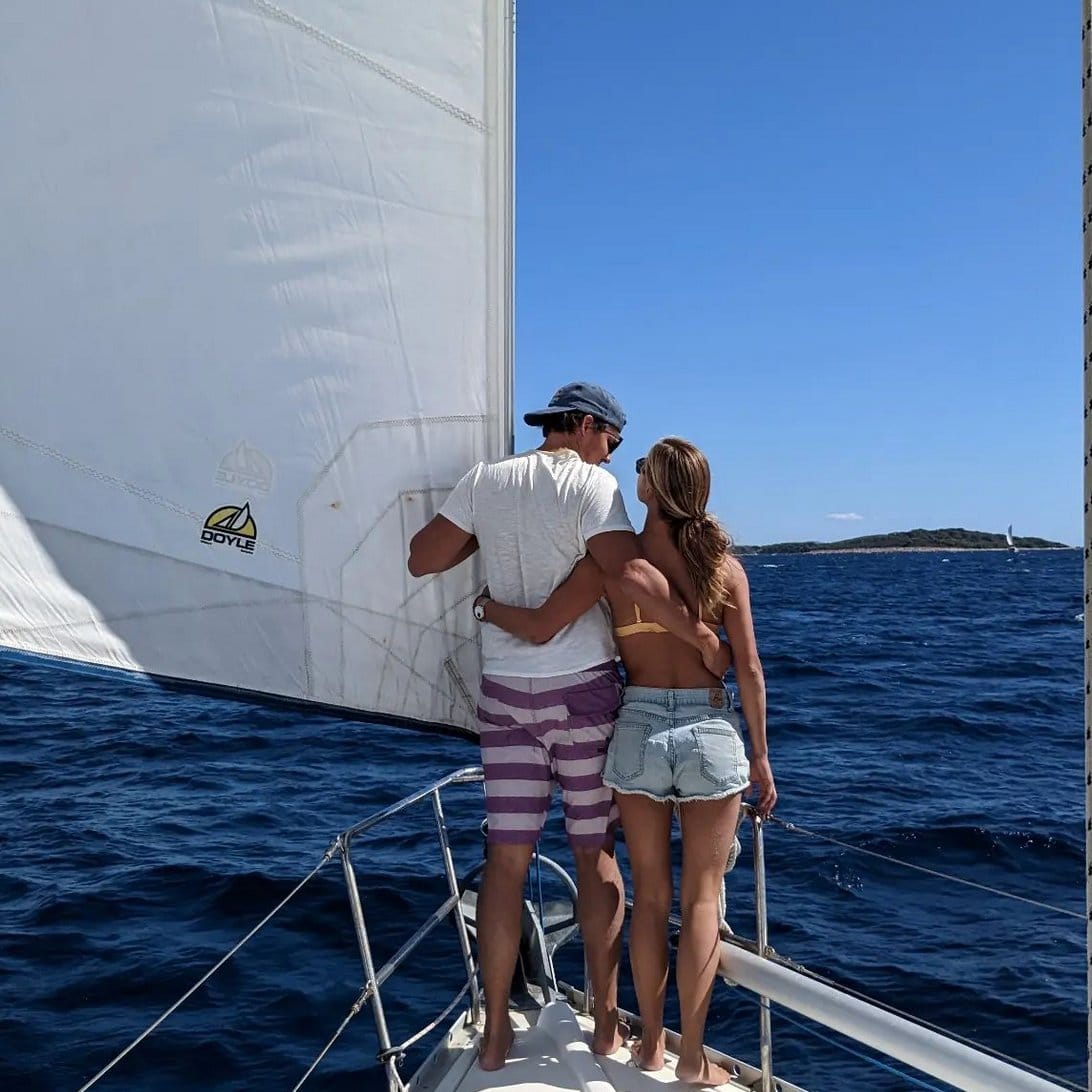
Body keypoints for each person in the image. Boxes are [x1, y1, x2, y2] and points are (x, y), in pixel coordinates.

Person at [407, 386, 731, 1071]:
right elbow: (631, 570)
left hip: (504, 698)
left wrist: (487, 557)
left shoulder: (485, 480)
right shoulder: (593, 485)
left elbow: (423, 558)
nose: (612, 453)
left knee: (506, 861)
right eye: (612, 441)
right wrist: (700, 634)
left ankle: (496, 1032)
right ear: (587, 427)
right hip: (582, 694)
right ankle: (609, 1024)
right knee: (595, 854)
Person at [474, 436, 774, 1086]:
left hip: (636, 728)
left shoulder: (614, 565)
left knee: (649, 895)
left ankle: (643, 1046)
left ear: (649, 489)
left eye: (641, 468)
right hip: (709, 730)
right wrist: (762, 759)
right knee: (700, 900)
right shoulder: (726, 569)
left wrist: (484, 606)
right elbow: (747, 667)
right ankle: (690, 1058)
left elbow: (541, 625)